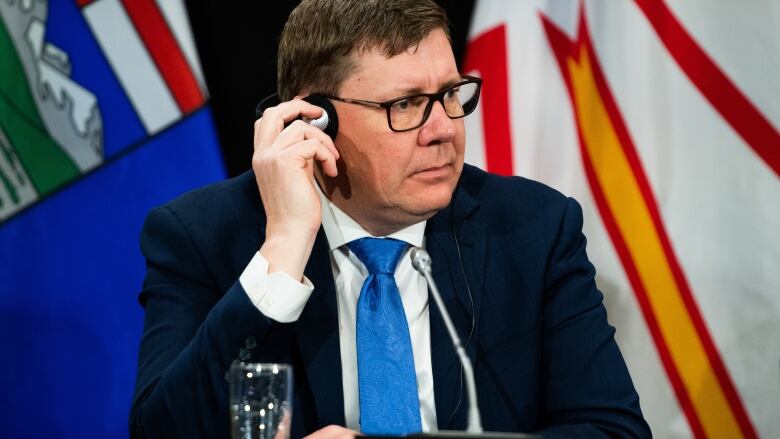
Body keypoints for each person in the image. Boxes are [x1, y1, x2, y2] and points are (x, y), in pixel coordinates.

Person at [129, 0, 651, 438]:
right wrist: (284, 248)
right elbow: (163, 431)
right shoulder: (202, 234)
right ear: (315, 120)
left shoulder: (533, 227)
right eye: (405, 105)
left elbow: (612, 430)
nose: (443, 129)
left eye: (450, 94)